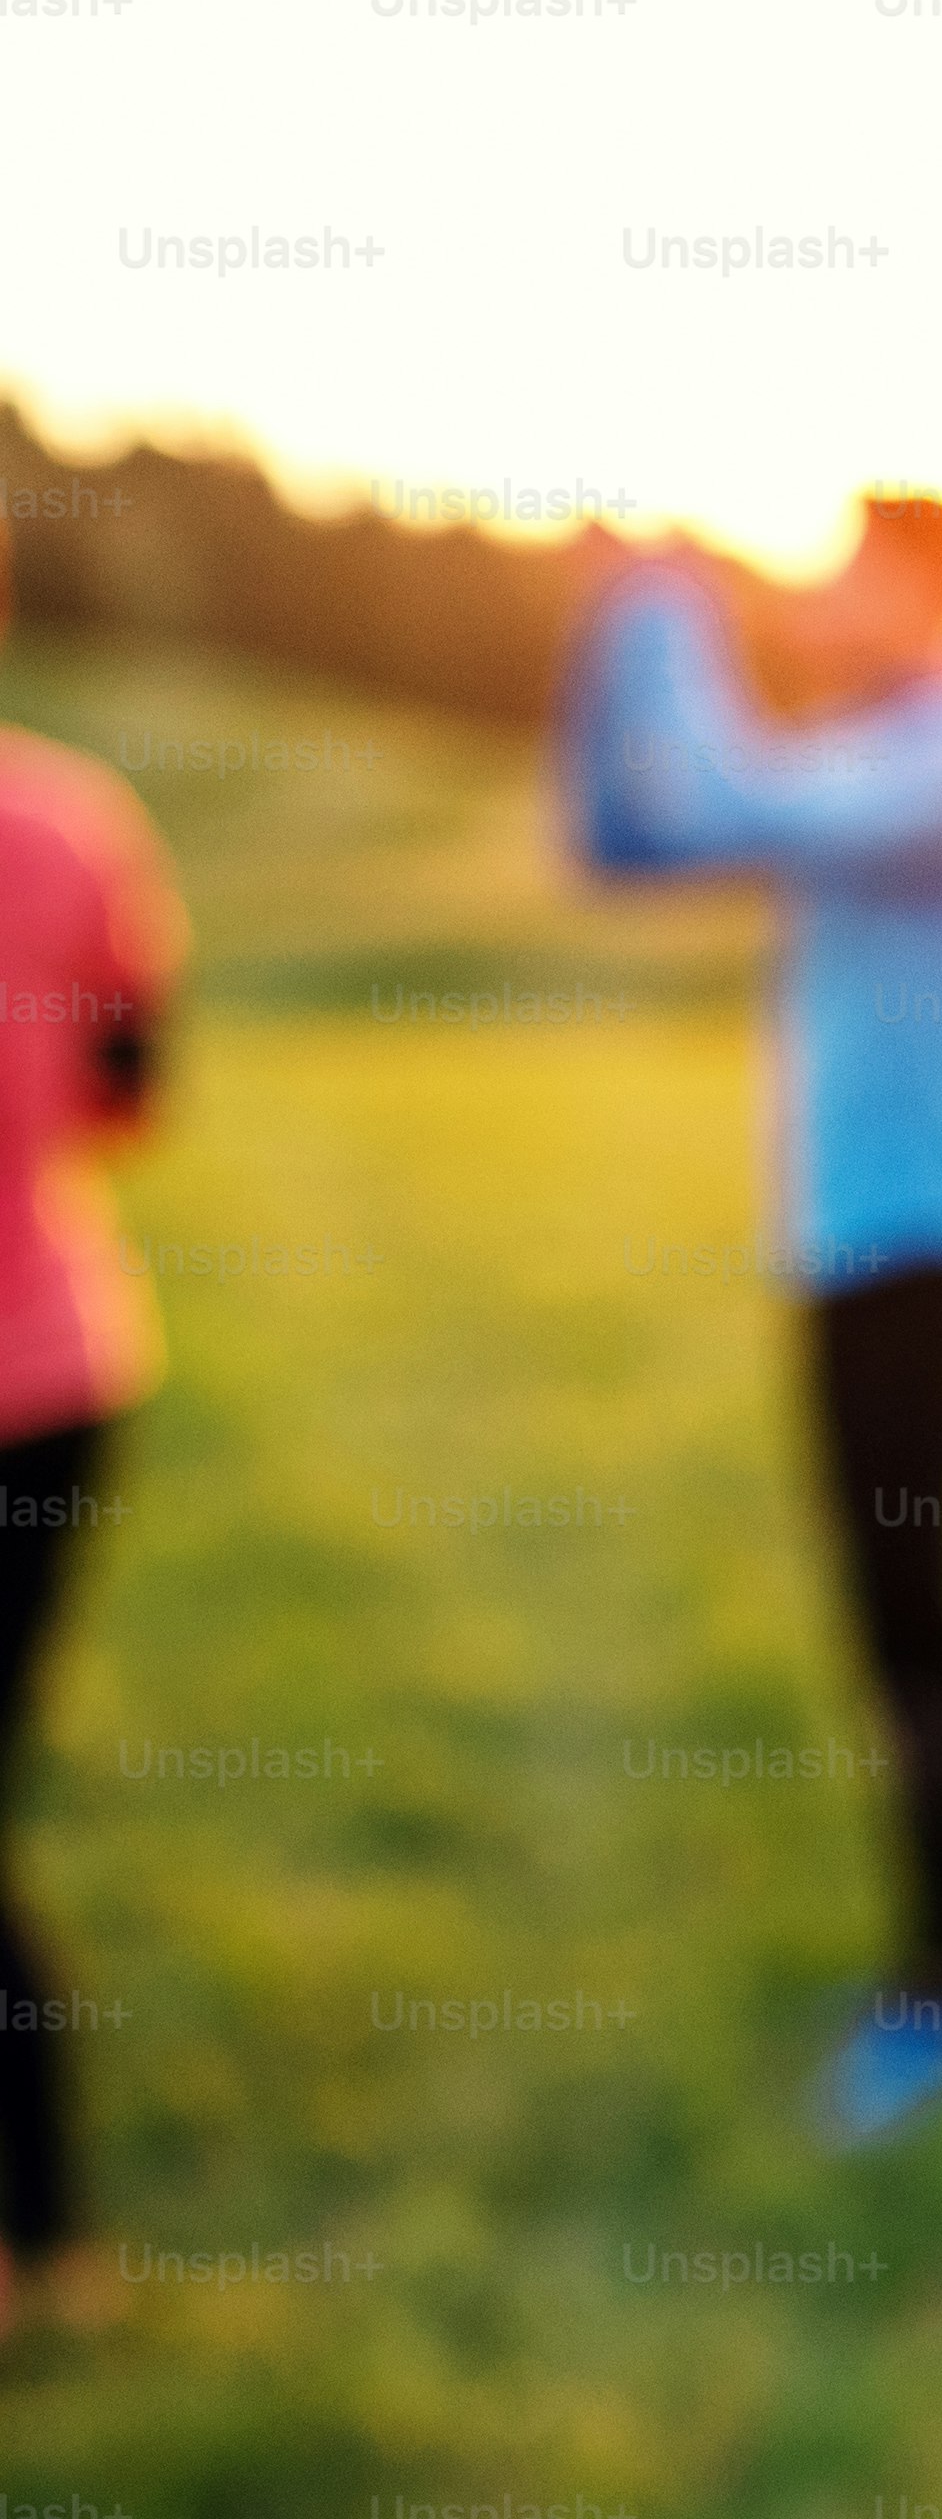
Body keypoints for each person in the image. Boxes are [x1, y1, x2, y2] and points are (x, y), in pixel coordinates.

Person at [563, 494, 942, 2145]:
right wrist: (609, 649)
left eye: (847, 569)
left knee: (911, 1615)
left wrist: (662, 613)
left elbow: (723, 789)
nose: (810, 594)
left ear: (933, 586)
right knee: (900, 1616)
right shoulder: (875, 754)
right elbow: (627, 843)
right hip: (858, 1245)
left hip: (933, 1247)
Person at [0, 535, 182, 2338]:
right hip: (60, 1379)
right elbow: (138, 1093)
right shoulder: (76, 819)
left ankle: (45, 2238)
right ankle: (51, 2240)